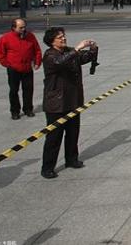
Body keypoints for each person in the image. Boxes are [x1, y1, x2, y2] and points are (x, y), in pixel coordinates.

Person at [40, 27, 98, 179]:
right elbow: (59, 63)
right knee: (54, 137)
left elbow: (84, 58)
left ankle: (71, 159)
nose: (63, 39)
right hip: (56, 103)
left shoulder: (69, 52)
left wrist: (93, 48)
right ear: (52, 41)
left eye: (64, 36)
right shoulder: (50, 55)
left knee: (73, 132)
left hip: (72, 100)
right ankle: (48, 167)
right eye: (60, 37)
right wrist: (77, 49)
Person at [0, 18, 42, 119]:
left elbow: (37, 50)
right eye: (20, 28)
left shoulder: (30, 36)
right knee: (13, 91)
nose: (23, 29)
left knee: (28, 90)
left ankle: (28, 109)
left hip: (27, 68)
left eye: (24, 27)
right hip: (13, 69)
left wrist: (37, 62)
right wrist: (7, 64)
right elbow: (0, 54)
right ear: (13, 28)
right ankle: (15, 111)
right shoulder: (5, 38)